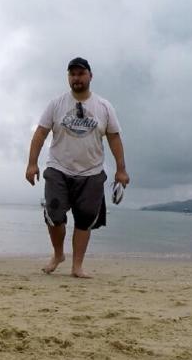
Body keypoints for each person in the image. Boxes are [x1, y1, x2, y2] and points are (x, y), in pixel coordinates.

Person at [25, 57, 130, 278]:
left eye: (81, 74)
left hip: (91, 172)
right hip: (58, 168)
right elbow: (40, 133)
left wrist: (121, 170)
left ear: (90, 76)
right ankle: (58, 254)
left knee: (85, 219)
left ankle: (77, 266)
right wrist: (32, 163)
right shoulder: (56, 104)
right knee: (54, 214)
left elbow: (114, 138)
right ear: (68, 78)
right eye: (72, 74)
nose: (76, 78)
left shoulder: (103, 106)